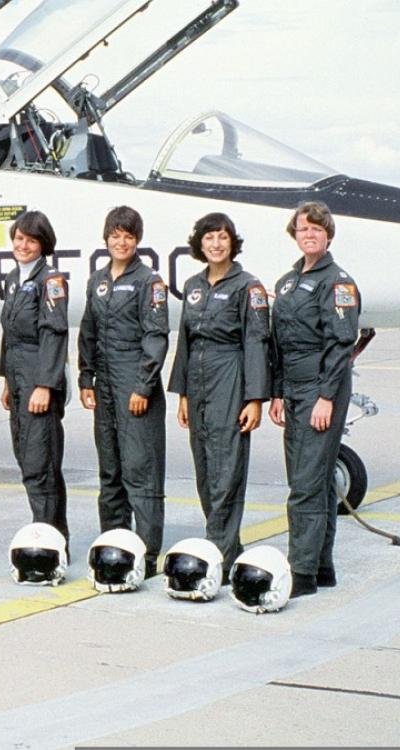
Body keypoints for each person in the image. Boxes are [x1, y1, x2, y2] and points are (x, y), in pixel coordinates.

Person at [168, 212, 270, 580]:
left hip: (231, 374)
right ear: (200, 243)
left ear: (232, 242)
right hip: (197, 379)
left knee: (227, 469)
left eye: (222, 237)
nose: (216, 244)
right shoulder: (193, 285)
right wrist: (182, 392)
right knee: (205, 469)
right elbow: (185, 340)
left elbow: (256, 342)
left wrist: (254, 398)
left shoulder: (248, 287)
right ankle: (227, 544)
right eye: (209, 237)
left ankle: (219, 554)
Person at [269, 201, 360, 597]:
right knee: (314, 480)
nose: (309, 234)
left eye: (317, 229)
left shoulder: (338, 283)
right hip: (293, 388)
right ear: (295, 234)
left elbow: (341, 345)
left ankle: (301, 572)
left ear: (328, 235)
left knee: (305, 484)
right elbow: (278, 343)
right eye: (303, 228)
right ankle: (322, 567)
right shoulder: (288, 282)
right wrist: (277, 393)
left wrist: (326, 397)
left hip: (321, 387)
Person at [77, 205, 168, 575]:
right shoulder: (97, 280)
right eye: (115, 235)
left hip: (135, 383)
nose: (121, 242)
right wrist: (86, 378)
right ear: (106, 238)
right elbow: (88, 331)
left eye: (128, 236)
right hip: (105, 386)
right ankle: (115, 544)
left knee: (140, 469)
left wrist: (143, 386)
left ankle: (146, 553)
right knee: (110, 469)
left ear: (137, 240)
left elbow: (156, 337)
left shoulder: (149, 282)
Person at [0, 210, 70, 547]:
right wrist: (6, 380)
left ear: (43, 244)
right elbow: (9, 333)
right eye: (19, 238)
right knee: (27, 458)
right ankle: (48, 529)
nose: (23, 245)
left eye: (31, 240)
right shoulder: (14, 278)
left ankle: (50, 536)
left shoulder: (50, 281)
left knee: (41, 462)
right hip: (18, 378)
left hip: (38, 378)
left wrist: (45, 385)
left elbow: (54, 333)